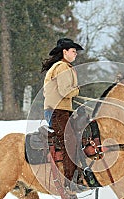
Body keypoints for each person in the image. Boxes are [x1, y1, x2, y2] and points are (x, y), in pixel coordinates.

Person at [41, 38, 83, 186]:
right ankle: (70, 181)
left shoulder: (62, 67)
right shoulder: (62, 67)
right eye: (73, 51)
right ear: (65, 52)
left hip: (61, 110)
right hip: (57, 111)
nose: (75, 54)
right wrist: (77, 90)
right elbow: (65, 91)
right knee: (69, 141)